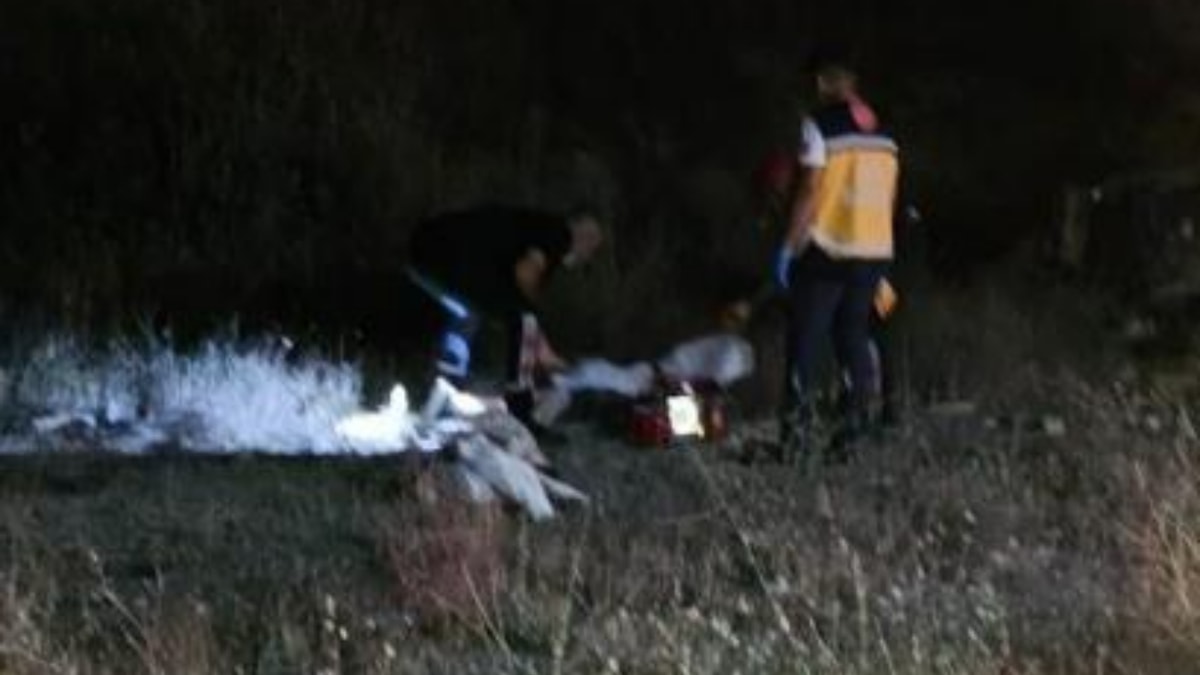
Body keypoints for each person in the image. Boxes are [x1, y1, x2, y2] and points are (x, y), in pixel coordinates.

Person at [774, 54, 900, 461]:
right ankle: (854, 434)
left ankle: (797, 435)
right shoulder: (885, 133)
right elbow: (890, 196)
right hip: (874, 250)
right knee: (854, 339)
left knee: (806, 340)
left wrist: (788, 246)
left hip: (828, 248)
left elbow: (811, 190)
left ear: (823, 83)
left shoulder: (818, 126)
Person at [405, 205, 604, 436]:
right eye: (591, 245)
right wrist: (536, 336)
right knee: (524, 320)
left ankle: (442, 394)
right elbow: (525, 274)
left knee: (468, 314)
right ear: (581, 232)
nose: (589, 255)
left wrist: (543, 347)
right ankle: (522, 414)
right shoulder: (558, 233)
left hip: (424, 254)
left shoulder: (529, 228)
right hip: (449, 259)